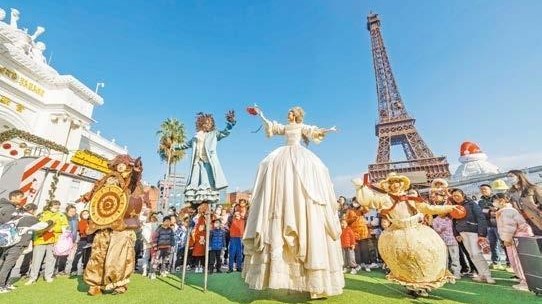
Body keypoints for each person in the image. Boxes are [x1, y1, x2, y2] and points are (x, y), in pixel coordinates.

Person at [243, 106, 344, 299]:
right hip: (283, 158)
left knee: (312, 177)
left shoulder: (302, 127)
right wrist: (261, 115)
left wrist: (329, 130)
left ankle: (313, 281)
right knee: (266, 165)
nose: (288, 114)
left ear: (296, 115)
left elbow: (314, 132)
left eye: (291, 112)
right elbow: (272, 127)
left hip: (299, 158)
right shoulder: (285, 128)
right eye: (288, 112)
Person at [353, 173, 460, 297]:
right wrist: (360, 188)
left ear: (402, 184)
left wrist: (450, 208)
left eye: (397, 182)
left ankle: (422, 285)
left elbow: (429, 208)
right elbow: (369, 200)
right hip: (397, 234)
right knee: (404, 260)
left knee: (424, 256)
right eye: (392, 182)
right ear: (388, 185)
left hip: (416, 231)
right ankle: (411, 285)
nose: (395, 185)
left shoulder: (411, 199)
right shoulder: (385, 199)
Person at [83, 155, 148, 295]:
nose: (120, 166)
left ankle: (119, 284)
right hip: (102, 222)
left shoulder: (130, 181)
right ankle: (95, 284)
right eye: (118, 164)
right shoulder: (105, 179)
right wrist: (88, 196)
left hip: (121, 224)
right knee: (98, 253)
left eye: (123, 164)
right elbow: (97, 193)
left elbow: (135, 181)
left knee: (118, 255)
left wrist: (137, 171)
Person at [174, 111, 236, 205]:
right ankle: (195, 201)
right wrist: (174, 147)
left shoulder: (214, 134)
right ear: (201, 124)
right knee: (194, 180)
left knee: (206, 180)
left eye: (210, 123)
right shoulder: (196, 137)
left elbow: (225, 132)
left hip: (208, 161)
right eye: (206, 123)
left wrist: (231, 124)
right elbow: (185, 145)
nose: (208, 125)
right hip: (197, 162)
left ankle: (205, 200)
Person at [450, 188, 495, 284]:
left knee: (476, 253)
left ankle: (488, 275)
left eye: (458, 195)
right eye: (454, 196)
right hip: (462, 233)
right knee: (471, 255)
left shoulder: (471, 204)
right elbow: (453, 222)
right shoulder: (454, 207)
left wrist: (482, 234)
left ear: (463, 194)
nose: (456, 197)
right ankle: (481, 274)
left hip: (473, 232)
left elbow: (481, 218)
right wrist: (456, 234)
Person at [493, 193, 534, 292]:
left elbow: (509, 227)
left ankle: (526, 282)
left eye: (494, 201)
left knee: (519, 261)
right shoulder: (505, 210)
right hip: (516, 237)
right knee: (517, 260)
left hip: (517, 238)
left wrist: (507, 239)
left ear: (502, 200)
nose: (493, 203)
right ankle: (524, 280)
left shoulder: (507, 211)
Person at [26, 200, 68, 285]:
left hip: (53, 240)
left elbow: (65, 227)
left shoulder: (61, 215)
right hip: (40, 239)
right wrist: (44, 229)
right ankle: (32, 277)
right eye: (55, 207)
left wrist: (55, 229)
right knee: (36, 260)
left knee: (51, 259)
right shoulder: (42, 214)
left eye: (58, 207)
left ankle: (48, 276)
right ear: (50, 206)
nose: (56, 209)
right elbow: (36, 226)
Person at [0, 203, 38, 293]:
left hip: (9, 242)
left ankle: (6, 284)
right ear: (32, 210)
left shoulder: (16, 216)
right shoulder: (31, 218)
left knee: (7, 264)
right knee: (8, 265)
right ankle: (1, 286)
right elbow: (43, 225)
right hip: (18, 244)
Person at [506, 170, 542, 235]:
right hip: (523, 222)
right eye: (507, 177)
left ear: (519, 177)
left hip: (537, 218)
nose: (509, 178)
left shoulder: (533, 188)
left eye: (511, 176)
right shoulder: (510, 192)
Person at [478, 184, 504, 269]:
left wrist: (488, 211)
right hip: (488, 225)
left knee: (503, 243)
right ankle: (496, 262)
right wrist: (489, 212)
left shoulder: (495, 198)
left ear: (490, 190)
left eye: (485, 189)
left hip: (498, 224)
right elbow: (481, 211)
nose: (483, 191)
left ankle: (509, 262)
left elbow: (498, 208)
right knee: (493, 244)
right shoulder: (480, 201)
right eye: (481, 189)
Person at [55, 204, 78, 276]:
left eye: (74, 211)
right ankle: (53, 270)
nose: (73, 213)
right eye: (71, 211)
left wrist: (74, 240)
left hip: (71, 239)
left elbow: (75, 230)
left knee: (65, 255)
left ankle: (61, 270)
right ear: (67, 211)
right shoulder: (62, 217)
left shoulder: (75, 219)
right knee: (57, 254)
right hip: (62, 239)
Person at [70, 210, 91, 276]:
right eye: (84, 214)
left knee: (87, 255)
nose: (86, 215)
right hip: (83, 239)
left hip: (90, 240)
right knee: (78, 254)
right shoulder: (81, 222)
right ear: (81, 215)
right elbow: (82, 231)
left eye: (87, 213)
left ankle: (85, 269)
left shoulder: (90, 222)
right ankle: (73, 269)